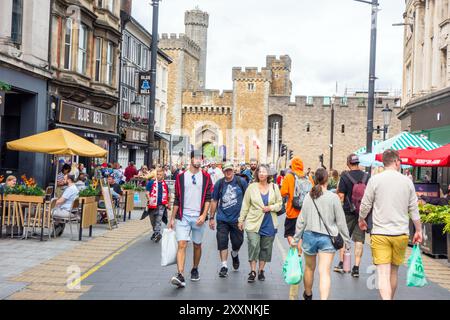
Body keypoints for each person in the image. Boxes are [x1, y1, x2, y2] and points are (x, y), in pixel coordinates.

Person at [359, 149, 423, 300]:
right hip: (400, 234)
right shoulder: (407, 181)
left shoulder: (375, 180)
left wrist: (361, 219)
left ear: (384, 162)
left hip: (380, 233)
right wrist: (418, 230)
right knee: (393, 272)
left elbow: (365, 204)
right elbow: (413, 208)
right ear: (396, 162)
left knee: (382, 274)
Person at [292, 168, 351, 300]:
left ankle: (308, 294)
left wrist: (295, 240)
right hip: (328, 238)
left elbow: (301, 220)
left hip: (309, 236)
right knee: (324, 272)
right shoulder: (333, 197)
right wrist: (347, 241)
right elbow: (341, 222)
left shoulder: (309, 196)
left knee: (309, 268)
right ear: (326, 180)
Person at [168, 150, 213, 288]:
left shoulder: (206, 177)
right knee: (182, 244)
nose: (199, 161)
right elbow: (177, 199)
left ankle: (195, 268)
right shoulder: (181, 177)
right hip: (183, 216)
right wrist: (172, 219)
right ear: (191, 159)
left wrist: (204, 215)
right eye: (197, 158)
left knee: (197, 244)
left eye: (201, 158)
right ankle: (180, 274)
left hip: (198, 217)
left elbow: (208, 198)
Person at [238, 165, 283, 283]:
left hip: (269, 223)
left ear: (268, 174)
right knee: (253, 245)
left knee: (265, 248)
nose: (262, 174)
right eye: (260, 172)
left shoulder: (274, 187)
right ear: (257, 174)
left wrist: (270, 207)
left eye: (264, 172)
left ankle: (261, 270)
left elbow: (280, 204)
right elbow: (245, 205)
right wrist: (241, 220)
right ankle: (252, 271)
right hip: (253, 222)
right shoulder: (251, 187)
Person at [209, 162, 248, 278]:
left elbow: (248, 199)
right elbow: (214, 201)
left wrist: (246, 217)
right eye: (226, 170)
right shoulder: (219, 184)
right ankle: (224, 266)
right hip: (222, 219)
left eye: (230, 170)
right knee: (222, 242)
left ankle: (234, 254)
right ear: (223, 171)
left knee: (238, 242)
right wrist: (211, 218)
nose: (228, 172)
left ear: (233, 170)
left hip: (237, 220)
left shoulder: (241, 182)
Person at [334, 154, 368, 277]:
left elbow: (341, 196)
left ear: (348, 163)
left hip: (347, 212)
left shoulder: (345, 177)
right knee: (359, 240)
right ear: (358, 163)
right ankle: (356, 268)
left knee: (344, 237)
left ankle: (342, 263)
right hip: (361, 213)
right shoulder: (366, 176)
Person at [280, 156, 314, 246]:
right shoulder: (308, 177)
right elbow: (313, 192)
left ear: (292, 166)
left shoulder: (289, 177)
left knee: (289, 234)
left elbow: (283, 193)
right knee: (301, 236)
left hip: (292, 212)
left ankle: (294, 250)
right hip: (305, 213)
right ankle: (299, 254)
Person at [146, 168, 170, 243]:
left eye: (160, 175)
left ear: (163, 176)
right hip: (152, 205)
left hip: (161, 205)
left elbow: (168, 194)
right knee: (153, 221)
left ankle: (157, 233)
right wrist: (149, 199)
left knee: (158, 220)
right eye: (158, 174)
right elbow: (147, 192)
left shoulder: (164, 184)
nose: (159, 176)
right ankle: (155, 232)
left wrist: (168, 203)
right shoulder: (151, 183)